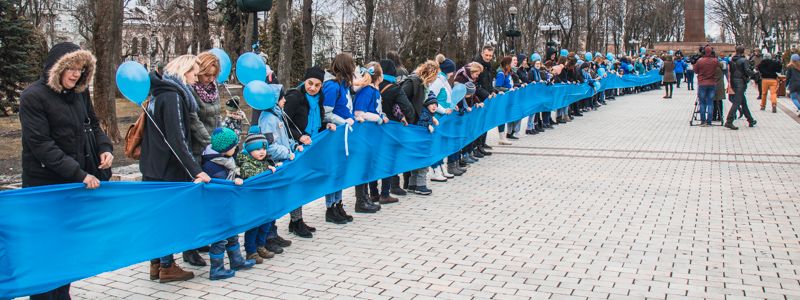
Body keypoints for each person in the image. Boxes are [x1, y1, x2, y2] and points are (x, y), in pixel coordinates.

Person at [19, 42, 114, 300]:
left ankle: (63, 294)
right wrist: (80, 174)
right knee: (45, 249)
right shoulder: (33, 97)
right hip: (45, 186)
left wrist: (105, 148)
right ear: (56, 68)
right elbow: (41, 146)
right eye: (70, 68)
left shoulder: (80, 93)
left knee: (67, 247)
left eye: (80, 69)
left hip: (75, 185)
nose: (75, 74)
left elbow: (92, 124)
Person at [141, 54, 211, 283]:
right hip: (167, 168)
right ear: (183, 71)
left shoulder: (159, 93)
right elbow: (177, 137)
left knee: (157, 217)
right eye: (193, 73)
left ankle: (156, 264)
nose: (196, 78)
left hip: (153, 165)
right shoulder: (173, 96)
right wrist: (195, 170)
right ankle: (168, 266)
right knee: (168, 218)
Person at [283, 66, 338, 237]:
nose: (313, 88)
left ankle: (296, 221)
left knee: (303, 184)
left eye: (317, 85)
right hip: (296, 147)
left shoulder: (318, 99)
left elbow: (316, 122)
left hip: (310, 147)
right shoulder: (295, 97)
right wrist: (299, 137)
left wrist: (326, 126)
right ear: (305, 81)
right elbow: (284, 122)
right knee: (297, 184)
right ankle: (296, 221)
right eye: (310, 83)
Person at [200, 127, 257, 280]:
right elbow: (220, 185)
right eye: (234, 146)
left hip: (228, 206)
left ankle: (236, 260)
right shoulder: (213, 166)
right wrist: (233, 182)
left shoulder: (225, 160)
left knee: (232, 233)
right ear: (225, 149)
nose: (236, 148)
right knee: (220, 238)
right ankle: (216, 269)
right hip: (218, 208)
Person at [257, 92, 297, 253]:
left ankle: (273, 232)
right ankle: (267, 237)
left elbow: (283, 138)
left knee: (276, 201)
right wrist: (287, 152)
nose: (285, 100)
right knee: (271, 202)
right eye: (282, 98)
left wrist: (294, 145)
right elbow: (270, 146)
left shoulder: (277, 115)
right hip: (273, 163)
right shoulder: (268, 118)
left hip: (281, 163)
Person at [322, 53, 358, 223]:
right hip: (335, 134)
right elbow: (327, 113)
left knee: (341, 171)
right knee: (334, 171)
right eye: (352, 65)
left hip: (344, 134)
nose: (354, 68)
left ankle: (338, 203)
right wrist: (344, 121)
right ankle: (330, 208)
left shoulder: (343, 85)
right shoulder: (332, 86)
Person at [352, 61, 390, 211]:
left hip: (371, 134)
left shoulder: (374, 90)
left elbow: (374, 109)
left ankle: (366, 198)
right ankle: (360, 201)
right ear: (379, 76)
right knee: (363, 165)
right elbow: (359, 113)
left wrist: (382, 115)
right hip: (364, 134)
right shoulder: (367, 90)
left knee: (367, 165)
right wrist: (378, 118)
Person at [237, 126, 277, 264]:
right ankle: (251, 251)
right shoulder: (246, 164)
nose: (262, 152)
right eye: (258, 149)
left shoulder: (263, 162)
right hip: (253, 202)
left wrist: (270, 167)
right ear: (249, 149)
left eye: (264, 149)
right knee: (253, 227)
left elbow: (264, 170)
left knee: (265, 225)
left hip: (264, 201)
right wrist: (265, 171)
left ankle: (261, 246)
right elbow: (251, 177)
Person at [400, 60, 440, 194]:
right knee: (421, 156)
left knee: (417, 155)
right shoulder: (413, 82)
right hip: (412, 124)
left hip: (416, 124)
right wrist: (405, 115)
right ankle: (418, 185)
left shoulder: (424, 86)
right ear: (430, 73)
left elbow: (422, 105)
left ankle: (412, 184)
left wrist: (431, 116)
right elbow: (402, 98)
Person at [378, 59, 414, 197]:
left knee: (377, 159)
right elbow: (408, 108)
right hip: (391, 129)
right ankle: (390, 188)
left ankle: (373, 193)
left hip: (373, 129)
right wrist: (408, 119)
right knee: (391, 158)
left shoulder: (370, 86)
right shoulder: (394, 88)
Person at [429, 54, 457, 180]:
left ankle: (441, 167)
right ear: (449, 70)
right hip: (437, 116)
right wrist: (444, 110)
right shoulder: (438, 81)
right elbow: (431, 98)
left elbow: (447, 97)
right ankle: (435, 170)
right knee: (436, 143)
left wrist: (452, 106)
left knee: (442, 143)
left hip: (444, 117)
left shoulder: (444, 80)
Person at [725, 45, 757, 130]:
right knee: (737, 102)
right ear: (743, 51)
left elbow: (730, 72)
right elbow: (747, 71)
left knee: (743, 102)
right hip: (740, 82)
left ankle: (750, 120)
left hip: (734, 82)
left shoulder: (732, 60)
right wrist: (754, 73)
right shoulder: (744, 60)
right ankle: (729, 121)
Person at [693, 46, 720, 127]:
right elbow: (718, 68)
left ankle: (703, 121)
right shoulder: (715, 61)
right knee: (710, 103)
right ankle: (709, 121)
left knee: (702, 103)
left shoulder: (700, 61)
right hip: (712, 83)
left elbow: (696, 71)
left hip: (702, 83)